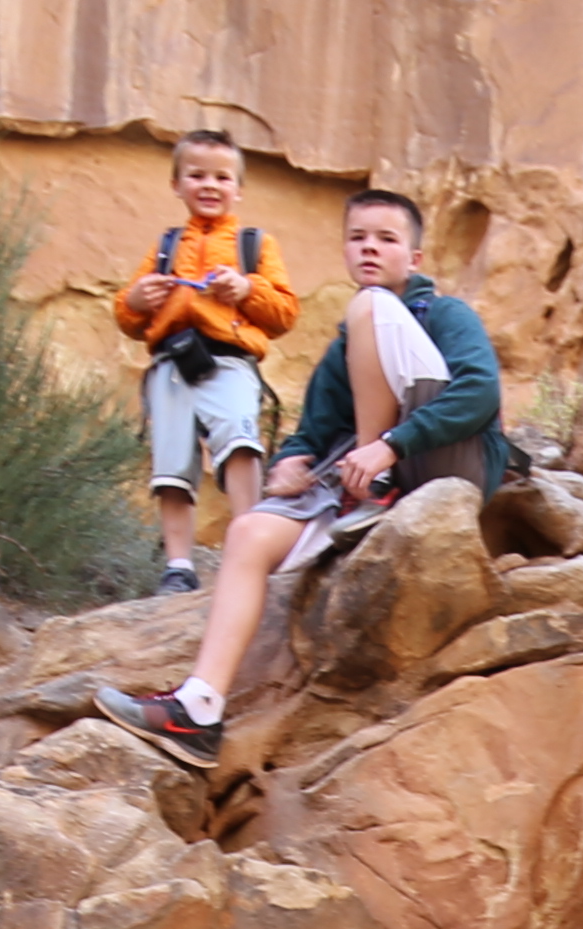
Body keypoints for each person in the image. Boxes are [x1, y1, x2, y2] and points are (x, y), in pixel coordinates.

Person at [97, 184, 521, 762]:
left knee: (370, 306)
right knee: (248, 533)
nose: (369, 249)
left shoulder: (444, 314)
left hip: (449, 462)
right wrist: (292, 461)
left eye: (386, 239)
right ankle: (199, 710)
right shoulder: (349, 341)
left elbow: (478, 394)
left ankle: (374, 489)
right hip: (370, 476)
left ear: (415, 258)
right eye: (357, 238)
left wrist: (388, 448)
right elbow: (314, 430)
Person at [113, 130, 300, 594]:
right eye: (196, 175)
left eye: (222, 176)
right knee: (171, 464)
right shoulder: (166, 245)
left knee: (239, 440)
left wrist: (246, 289)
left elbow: (284, 313)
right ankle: (179, 565)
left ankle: (249, 541)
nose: (210, 185)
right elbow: (128, 316)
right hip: (172, 364)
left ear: (239, 188)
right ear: (176, 184)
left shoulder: (254, 245)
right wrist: (137, 299)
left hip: (228, 358)